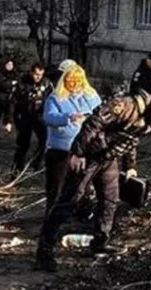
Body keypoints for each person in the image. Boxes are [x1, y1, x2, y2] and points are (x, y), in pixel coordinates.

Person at [35, 88, 151, 272]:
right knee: (69, 201)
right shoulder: (126, 105)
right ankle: (44, 250)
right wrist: (78, 152)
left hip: (108, 158)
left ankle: (100, 241)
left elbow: (131, 140)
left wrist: (130, 167)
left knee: (110, 200)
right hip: (89, 155)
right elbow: (93, 123)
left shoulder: (147, 120)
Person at [41, 63, 102, 216]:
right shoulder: (55, 97)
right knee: (56, 186)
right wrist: (68, 118)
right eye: (70, 82)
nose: (74, 86)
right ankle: (52, 215)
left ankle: (81, 214)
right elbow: (48, 117)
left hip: (84, 149)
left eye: (78, 82)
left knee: (82, 185)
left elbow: (102, 117)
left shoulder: (91, 96)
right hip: (60, 148)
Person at [14, 62, 54, 172]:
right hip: (26, 115)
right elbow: (15, 101)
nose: (38, 77)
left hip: (40, 116)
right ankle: (18, 167)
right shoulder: (22, 82)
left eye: (41, 74)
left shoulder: (47, 83)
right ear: (31, 72)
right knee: (23, 143)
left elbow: (52, 99)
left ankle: (37, 163)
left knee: (44, 140)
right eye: (36, 74)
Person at [0, 58, 19, 140]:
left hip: (10, 98)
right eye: (8, 65)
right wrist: (11, 83)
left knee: (10, 112)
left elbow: (18, 82)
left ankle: (8, 127)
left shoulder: (15, 74)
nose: (10, 66)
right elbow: (0, 84)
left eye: (11, 65)